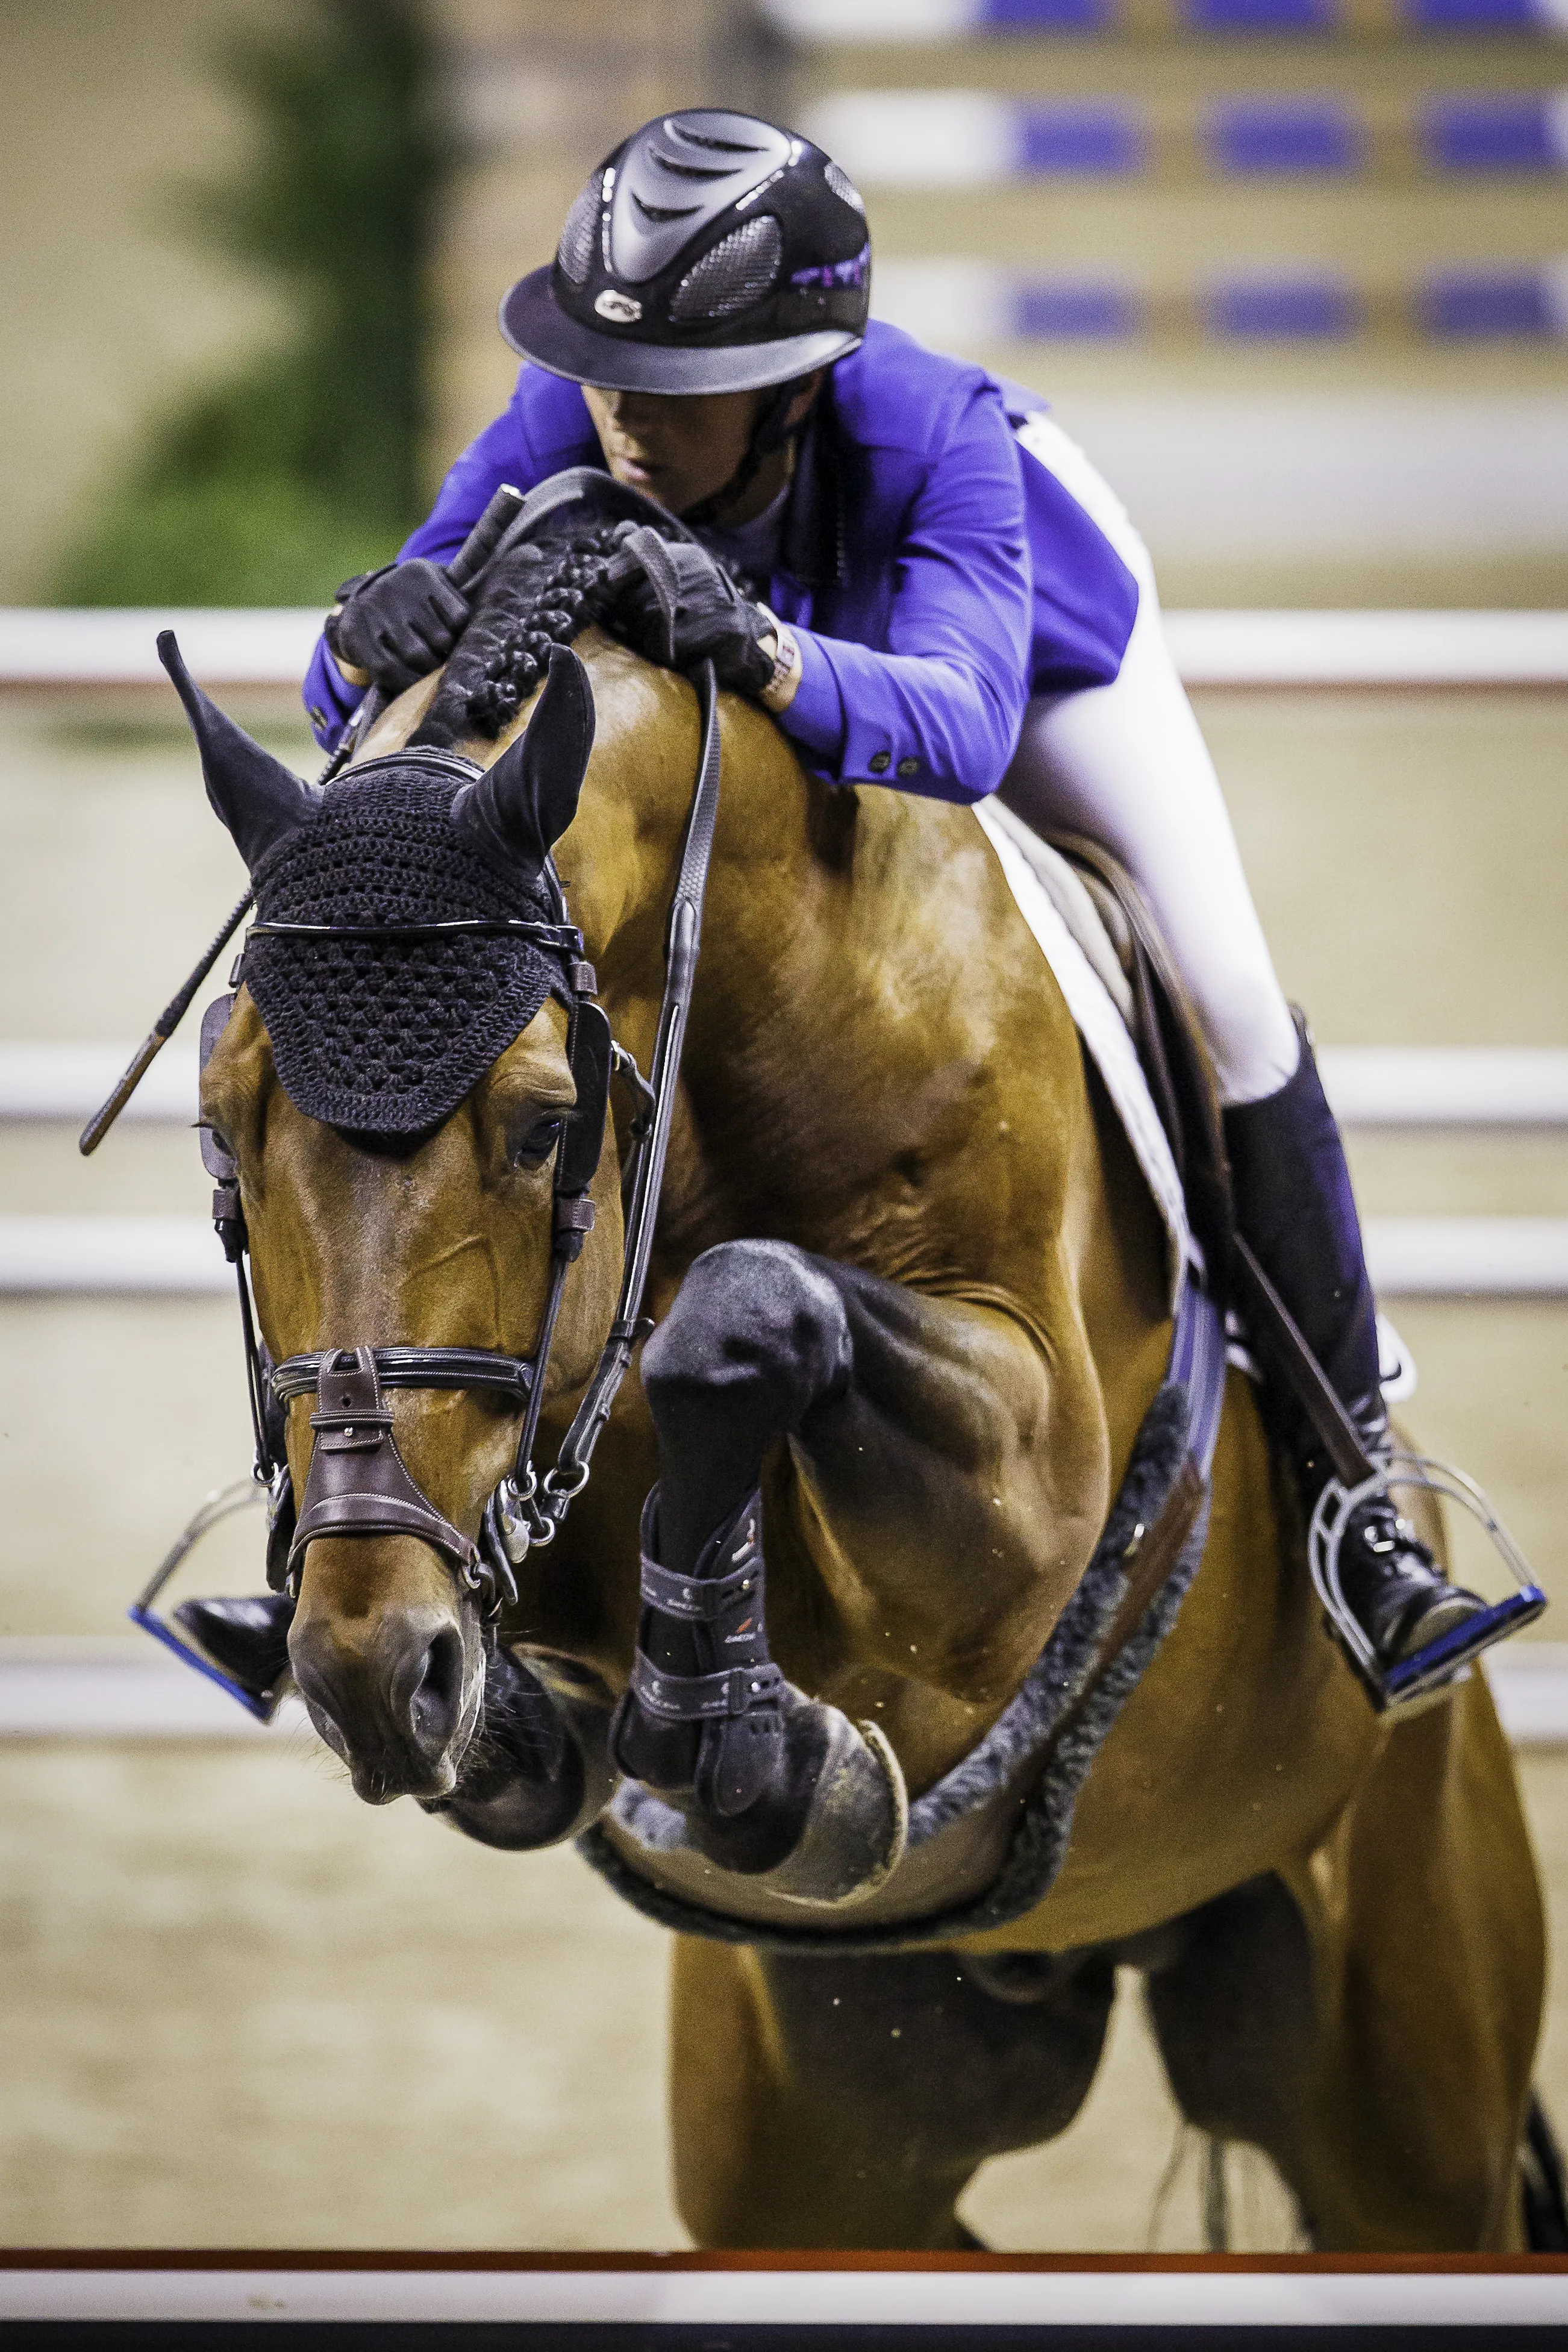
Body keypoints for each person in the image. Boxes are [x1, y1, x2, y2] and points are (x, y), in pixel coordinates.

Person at [304, 108, 1489, 1691]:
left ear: (795, 379)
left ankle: (1355, 1495)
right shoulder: (570, 410)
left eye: (681, 392)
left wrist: (764, 648)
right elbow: (390, 694)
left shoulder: (936, 430)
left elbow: (958, 727)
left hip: (1028, 659)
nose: (627, 423)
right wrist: (355, 647)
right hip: (801, 651)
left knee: (1228, 996)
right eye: (608, 374)